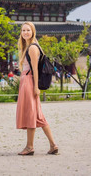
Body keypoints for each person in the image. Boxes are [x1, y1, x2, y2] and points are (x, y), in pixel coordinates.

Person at [16, 21, 58, 156]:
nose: (25, 33)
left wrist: (35, 88)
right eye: (23, 30)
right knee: (38, 116)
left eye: (28, 30)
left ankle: (30, 147)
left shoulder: (33, 48)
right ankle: (53, 145)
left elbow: (35, 70)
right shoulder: (28, 47)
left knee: (31, 114)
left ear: (33, 31)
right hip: (26, 82)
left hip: (29, 82)